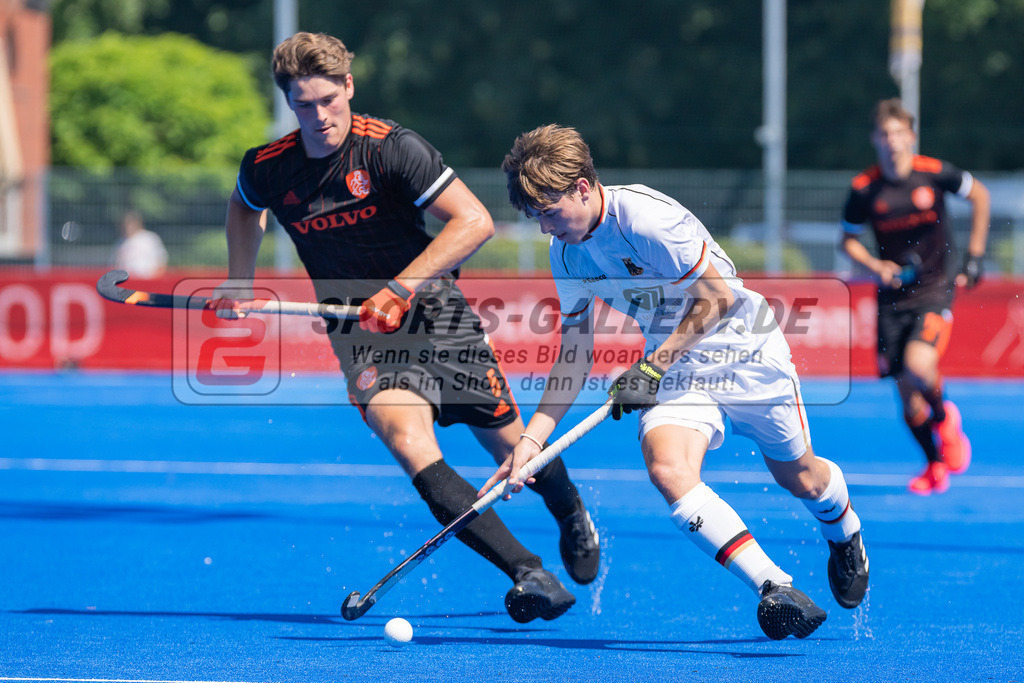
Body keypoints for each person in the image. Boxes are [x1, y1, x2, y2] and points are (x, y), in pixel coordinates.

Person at [210, 33, 600, 623]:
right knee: (408, 444)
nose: (318, 118)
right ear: (289, 103)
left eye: (327, 101)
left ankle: (570, 510)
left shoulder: (392, 148)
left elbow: (474, 222)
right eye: (303, 105)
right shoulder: (269, 166)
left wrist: (399, 289)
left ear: (348, 87)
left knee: (511, 446)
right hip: (358, 332)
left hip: (434, 315)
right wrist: (240, 280)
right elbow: (244, 205)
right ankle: (529, 572)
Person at [486, 124, 869, 641]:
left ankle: (844, 533)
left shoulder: (645, 219)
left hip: (745, 349)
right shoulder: (567, 252)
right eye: (535, 219)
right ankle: (773, 586)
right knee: (668, 468)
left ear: (582, 186)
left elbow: (718, 298)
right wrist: (531, 444)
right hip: (676, 367)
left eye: (549, 213)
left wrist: (652, 366)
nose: (545, 230)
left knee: (801, 478)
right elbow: (574, 354)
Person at [840, 98, 990, 496]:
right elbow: (848, 241)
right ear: (875, 139)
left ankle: (945, 419)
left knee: (918, 365)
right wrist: (876, 267)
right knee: (906, 396)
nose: (892, 142)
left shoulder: (934, 174)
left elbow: (981, 197)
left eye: (898, 134)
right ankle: (934, 463)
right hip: (892, 298)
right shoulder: (864, 188)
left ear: (911, 136)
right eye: (884, 135)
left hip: (935, 288)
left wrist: (974, 256)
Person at [112, 210, 168, 278]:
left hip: (147, 281)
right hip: (126, 282)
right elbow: (114, 264)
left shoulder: (149, 239)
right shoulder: (120, 242)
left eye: (130, 224)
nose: (128, 227)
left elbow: (161, 262)